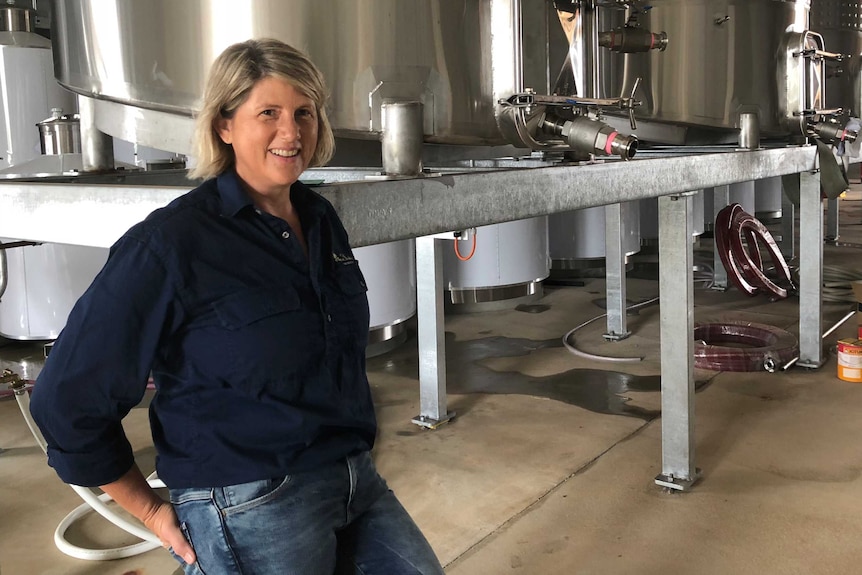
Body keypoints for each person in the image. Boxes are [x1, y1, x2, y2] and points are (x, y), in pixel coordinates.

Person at [30, 38, 445, 575]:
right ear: (224, 125)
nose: (291, 132)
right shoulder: (172, 244)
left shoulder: (319, 220)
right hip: (250, 499)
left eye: (304, 113)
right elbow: (66, 400)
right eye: (267, 113)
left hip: (351, 477)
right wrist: (153, 511)